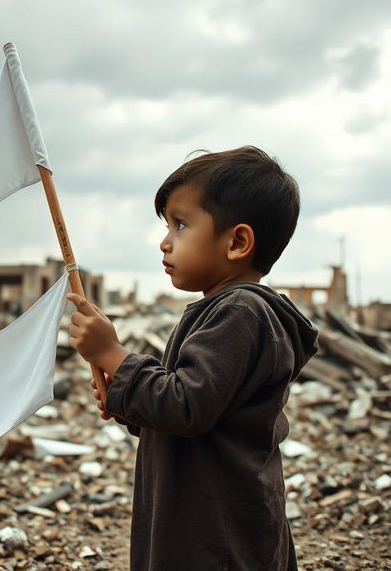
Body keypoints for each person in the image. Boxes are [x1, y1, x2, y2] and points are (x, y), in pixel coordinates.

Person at [66, 146, 319, 571]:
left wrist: (113, 353)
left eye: (181, 225)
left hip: (216, 532)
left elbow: (188, 406)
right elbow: (196, 409)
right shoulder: (220, 310)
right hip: (201, 515)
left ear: (237, 242)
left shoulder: (240, 312)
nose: (165, 242)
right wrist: (124, 398)